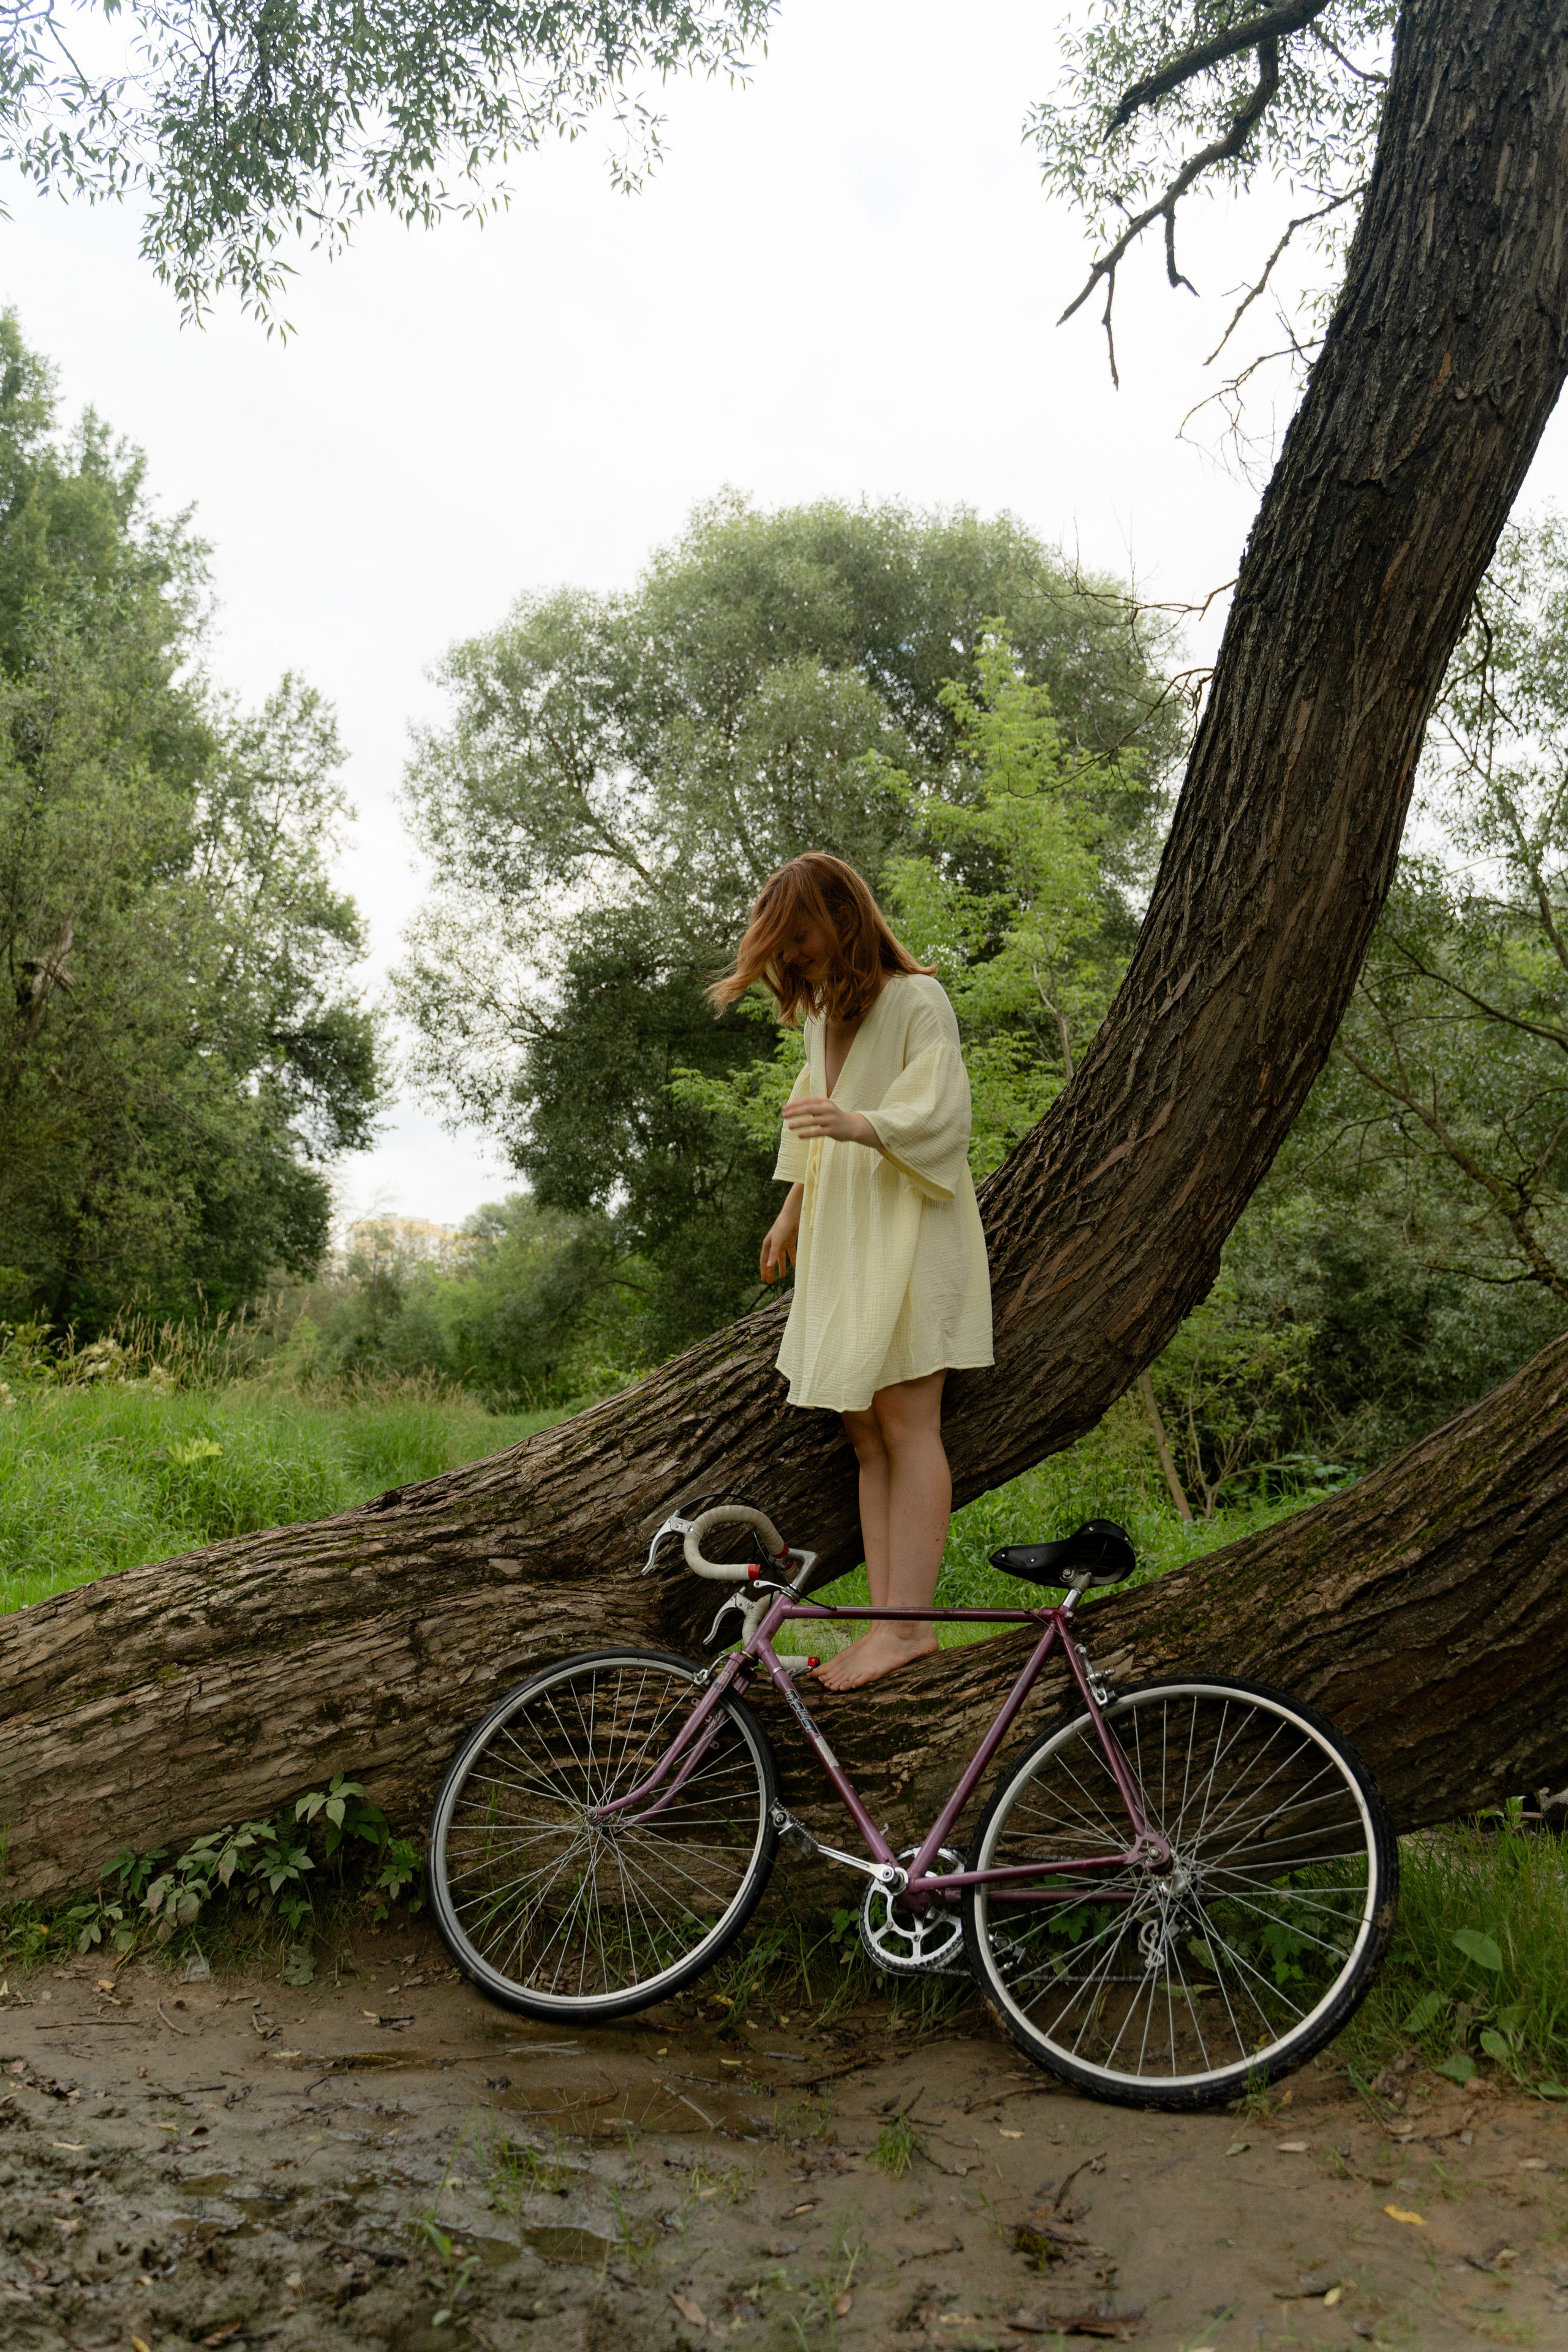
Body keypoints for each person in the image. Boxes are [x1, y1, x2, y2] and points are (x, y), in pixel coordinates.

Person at [710, 851, 993, 1689]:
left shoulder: (917, 999)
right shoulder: (823, 1017)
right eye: (781, 946)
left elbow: (943, 1115)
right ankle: (884, 1625)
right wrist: (791, 1210)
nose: (792, 956)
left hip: (907, 1229)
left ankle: (910, 1627)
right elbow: (813, 1122)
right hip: (844, 1233)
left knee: (908, 1423)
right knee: (865, 1434)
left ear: (843, 917)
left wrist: (860, 1124)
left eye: (799, 936)